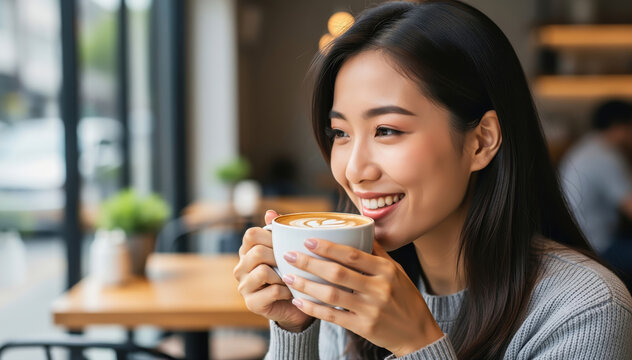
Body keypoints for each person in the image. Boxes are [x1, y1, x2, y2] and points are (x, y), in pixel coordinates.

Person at [233, 1, 632, 359]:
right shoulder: (353, 284)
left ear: (481, 141)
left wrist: (418, 345)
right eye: (340, 133)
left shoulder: (584, 309)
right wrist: (294, 329)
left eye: (387, 130)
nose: (354, 170)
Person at [560, 100, 632, 285]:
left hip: (577, 241)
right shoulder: (605, 156)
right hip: (598, 246)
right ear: (619, 127)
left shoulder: (587, 146)